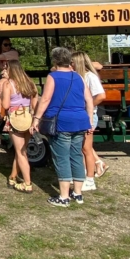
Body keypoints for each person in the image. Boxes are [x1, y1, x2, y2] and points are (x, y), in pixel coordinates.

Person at [32, 47, 94, 208]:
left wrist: (36, 118)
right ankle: (78, 193)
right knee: (76, 155)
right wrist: (89, 121)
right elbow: (89, 100)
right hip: (80, 121)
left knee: (62, 158)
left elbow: (45, 99)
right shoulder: (78, 76)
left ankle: (64, 196)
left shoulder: (53, 77)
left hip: (61, 122)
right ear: (69, 60)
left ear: (55, 60)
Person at [1, 60, 39, 193]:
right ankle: (12, 177)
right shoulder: (29, 82)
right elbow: (35, 102)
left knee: (21, 153)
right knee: (21, 150)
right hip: (27, 117)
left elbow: (5, 105)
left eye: (6, 68)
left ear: (10, 69)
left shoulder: (8, 84)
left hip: (15, 118)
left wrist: (2, 96)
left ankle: (27, 183)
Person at [71, 51, 106, 192]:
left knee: (86, 149)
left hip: (89, 116)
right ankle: (83, 175)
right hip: (80, 116)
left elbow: (101, 96)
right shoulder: (78, 76)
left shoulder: (90, 77)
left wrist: (88, 106)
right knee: (81, 148)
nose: (70, 64)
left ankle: (90, 179)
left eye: (72, 62)